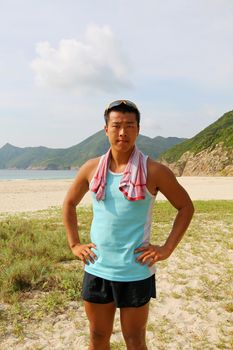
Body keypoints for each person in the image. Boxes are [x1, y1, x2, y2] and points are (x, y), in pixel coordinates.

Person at [63, 100, 194, 350]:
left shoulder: (154, 171)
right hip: (97, 267)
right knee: (98, 335)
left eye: (129, 125)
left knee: (134, 339)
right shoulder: (91, 168)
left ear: (138, 129)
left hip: (135, 271)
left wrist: (167, 249)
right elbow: (68, 204)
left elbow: (186, 207)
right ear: (106, 129)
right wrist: (74, 244)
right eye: (117, 125)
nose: (123, 132)